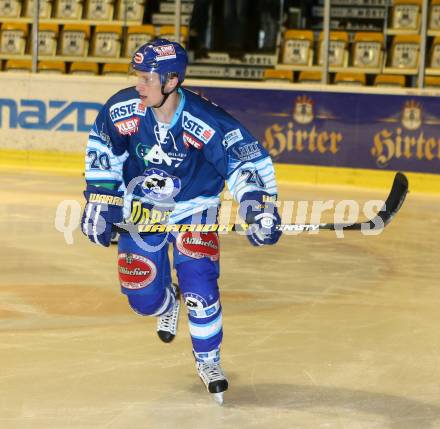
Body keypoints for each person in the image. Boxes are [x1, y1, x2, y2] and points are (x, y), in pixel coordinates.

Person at [81, 39, 282, 405]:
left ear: (171, 81)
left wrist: (258, 205)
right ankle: (166, 303)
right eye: (137, 76)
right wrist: (102, 199)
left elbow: (243, 164)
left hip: (196, 209)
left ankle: (209, 360)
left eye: (147, 78)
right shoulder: (123, 108)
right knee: (143, 297)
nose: (138, 85)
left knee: (200, 289)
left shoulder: (206, 120)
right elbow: (103, 151)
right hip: (144, 208)